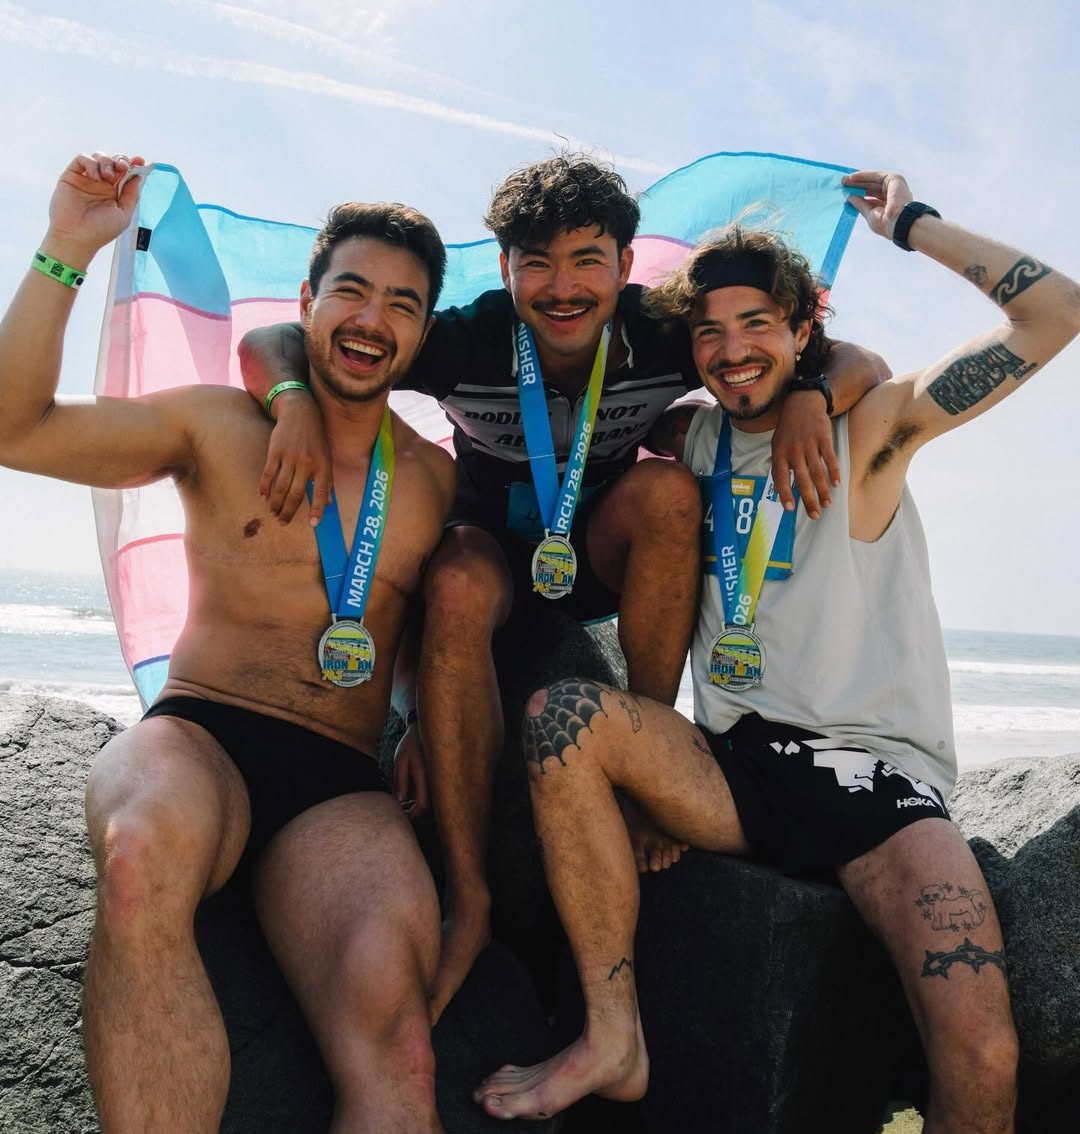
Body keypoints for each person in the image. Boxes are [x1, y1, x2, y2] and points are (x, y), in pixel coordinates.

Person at [473, 170, 1080, 1132]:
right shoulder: (695, 440)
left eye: (757, 324)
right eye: (709, 332)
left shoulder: (872, 429)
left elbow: (1056, 314)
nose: (730, 350)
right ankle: (612, 1033)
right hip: (739, 763)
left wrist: (911, 227)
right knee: (564, 722)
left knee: (980, 1048)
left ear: (804, 329)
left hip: (875, 782)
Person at [239, 153, 888, 1023]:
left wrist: (811, 393)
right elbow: (281, 340)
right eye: (535, 261)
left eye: (588, 258)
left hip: (599, 551)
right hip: (493, 557)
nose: (562, 285)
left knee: (667, 493)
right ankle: (469, 900)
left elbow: (859, 358)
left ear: (626, 266)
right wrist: (288, 401)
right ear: (505, 268)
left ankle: (650, 765)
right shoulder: (467, 335)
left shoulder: (658, 333)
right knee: (460, 581)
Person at [0, 152, 457, 1133]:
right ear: (308, 300)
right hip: (200, 734)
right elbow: (16, 427)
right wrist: (65, 246)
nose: (373, 319)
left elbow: (418, 622)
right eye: (353, 291)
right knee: (138, 860)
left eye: (404, 304)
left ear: (422, 332)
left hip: (339, 782)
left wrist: (418, 712)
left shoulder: (428, 480)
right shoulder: (218, 425)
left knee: (400, 1044)